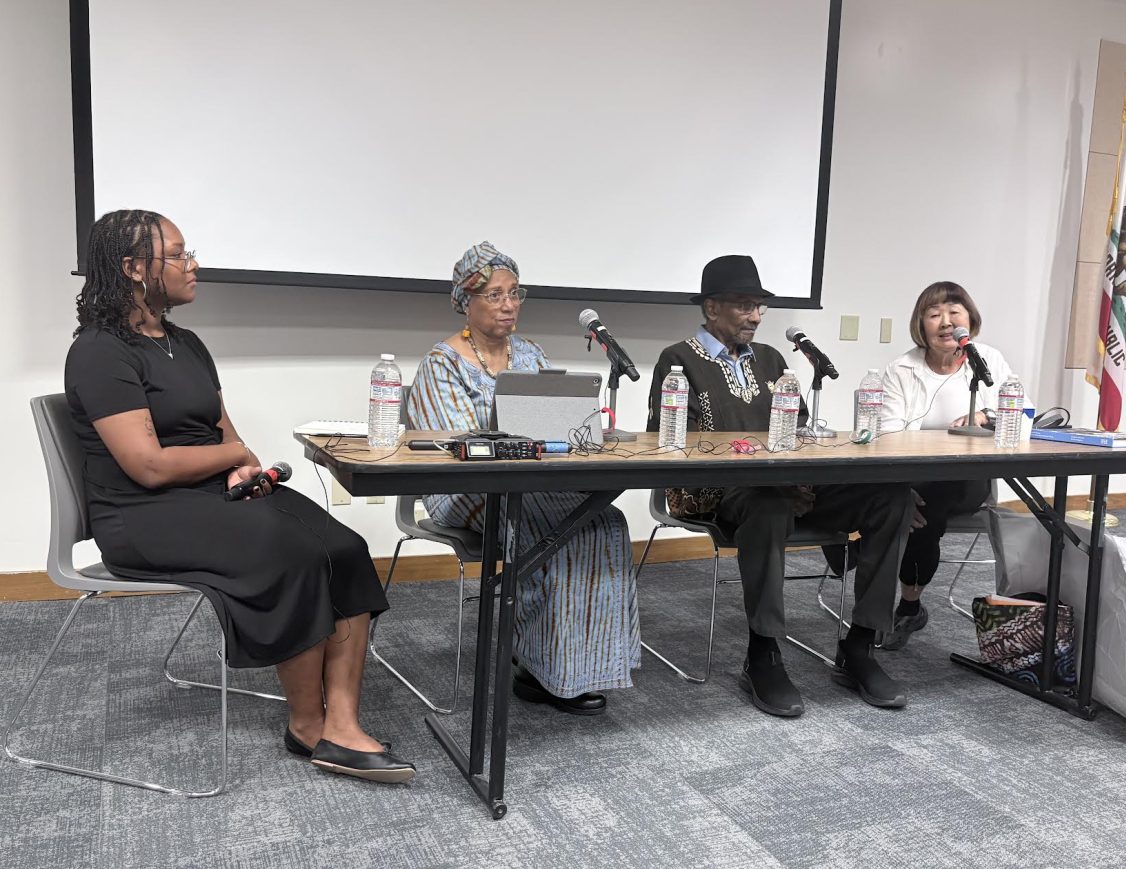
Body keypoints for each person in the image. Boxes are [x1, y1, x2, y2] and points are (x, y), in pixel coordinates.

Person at [65, 210, 413, 784]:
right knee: (288, 550)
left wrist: (245, 466)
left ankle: (341, 723)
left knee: (343, 545)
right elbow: (147, 466)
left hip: (206, 498)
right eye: (177, 255)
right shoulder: (101, 352)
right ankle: (307, 724)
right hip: (141, 516)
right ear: (132, 269)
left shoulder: (186, 343)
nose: (192, 264)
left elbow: (228, 433)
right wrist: (231, 460)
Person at [647, 255, 916, 718]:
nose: (755, 316)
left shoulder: (772, 359)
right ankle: (763, 653)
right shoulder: (678, 360)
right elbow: (672, 442)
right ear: (711, 308)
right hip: (721, 494)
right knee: (768, 504)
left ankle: (860, 646)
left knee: (892, 497)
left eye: (759, 306)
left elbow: (799, 432)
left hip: (791, 487)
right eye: (744, 305)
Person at [406, 242, 640, 715]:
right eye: (494, 295)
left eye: (515, 293)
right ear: (465, 301)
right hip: (464, 488)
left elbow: (561, 428)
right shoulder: (442, 363)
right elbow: (452, 450)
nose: (509, 305)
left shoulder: (531, 354)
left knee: (604, 521)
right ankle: (538, 665)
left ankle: (578, 665)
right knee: (547, 524)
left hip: (536, 481)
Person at [875, 281, 1013, 649]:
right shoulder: (901, 369)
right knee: (906, 501)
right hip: (912, 475)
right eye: (934, 314)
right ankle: (895, 605)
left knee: (923, 505)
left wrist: (987, 414)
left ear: (970, 320)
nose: (946, 322)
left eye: (955, 313)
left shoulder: (990, 361)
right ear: (921, 325)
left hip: (967, 477)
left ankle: (907, 605)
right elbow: (887, 433)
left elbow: (1024, 412)